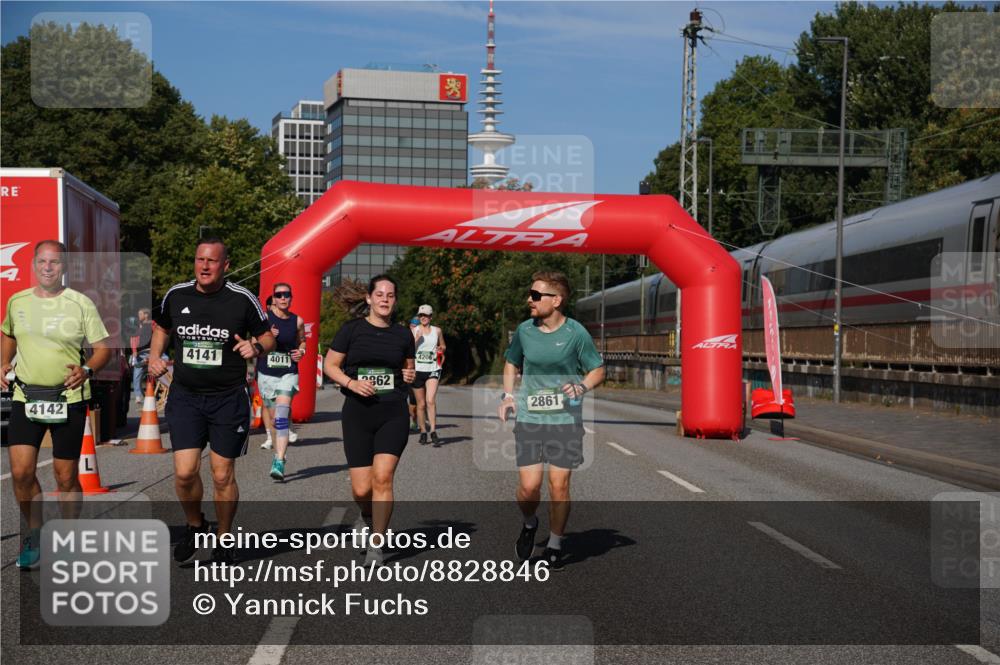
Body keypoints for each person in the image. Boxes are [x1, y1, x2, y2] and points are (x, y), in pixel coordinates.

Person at [148, 238, 275, 565]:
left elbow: (268, 336)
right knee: (185, 473)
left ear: (226, 266)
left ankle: (224, 536)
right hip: (186, 398)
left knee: (222, 474)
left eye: (212, 261)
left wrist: (256, 349)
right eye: (199, 259)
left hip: (227, 399)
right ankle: (196, 524)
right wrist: (154, 355)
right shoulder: (177, 295)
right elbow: (161, 326)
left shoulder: (241, 299)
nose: (204, 266)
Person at [1, 240, 112, 569]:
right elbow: (8, 333)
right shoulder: (17, 301)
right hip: (26, 396)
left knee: (65, 477)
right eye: (42, 262)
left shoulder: (80, 303)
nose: (48, 267)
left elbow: (103, 348)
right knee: (21, 472)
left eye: (55, 262)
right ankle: (35, 534)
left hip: (68, 399)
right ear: (33, 265)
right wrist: (4, 363)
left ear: (65, 267)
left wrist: (88, 369)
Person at [498, 271, 605, 571]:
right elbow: (511, 362)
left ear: (556, 300)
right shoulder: (524, 331)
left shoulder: (576, 333)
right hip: (531, 418)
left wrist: (582, 386)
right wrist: (507, 396)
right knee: (529, 488)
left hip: (564, 419)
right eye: (530, 295)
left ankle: (555, 544)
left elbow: (597, 369)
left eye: (535, 296)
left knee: (559, 485)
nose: (528, 301)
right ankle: (530, 523)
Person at [323, 274, 415, 566]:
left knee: (383, 477)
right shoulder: (352, 330)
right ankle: (367, 515)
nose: (385, 299)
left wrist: (410, 376)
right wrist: (351, 384)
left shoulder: (403, 334)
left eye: (390, 295)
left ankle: (377, 543)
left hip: (393, 412)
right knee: (362, 489)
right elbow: (330, 365)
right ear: (369, 298)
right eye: (380, 294)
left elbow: (408, 369)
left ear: (395, 300)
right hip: (358, 412)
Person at [255, 283, 305, 481]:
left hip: (288, 372)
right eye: (279, 295)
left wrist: (301, 351)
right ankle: (277, 450)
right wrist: (267, 338)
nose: (283, 298)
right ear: (273, 298)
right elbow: (252, 342)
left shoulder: (297, 320)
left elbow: (303, 341)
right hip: (266, 374)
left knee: (282, 416)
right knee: (276, 420)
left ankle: (279, 459)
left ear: (291, 298)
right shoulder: (264, 319)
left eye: (287, 295)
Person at [411, 304, 446, 446]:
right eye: (421, 315)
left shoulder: (437, 331)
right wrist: (416, 340)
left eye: (426, 315)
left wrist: (441, 349)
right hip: (418, 370)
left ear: (431, 317)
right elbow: (407, 351)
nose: (423, 318)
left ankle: (433, 431)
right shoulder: (414, 331)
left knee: (430, 400)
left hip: (433, 368)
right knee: (421, 404)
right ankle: (423, 431)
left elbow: (443, 345)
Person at [130, 308, 153, 404]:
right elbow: (133, 338)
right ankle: (138, 396)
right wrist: (134, 351)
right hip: (141, 353)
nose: (138, 316)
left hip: (153, 352)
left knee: (166, 362)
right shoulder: (137, 326)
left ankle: (167, 392)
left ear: (146, 315)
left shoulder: (153, 324)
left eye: (140, 314)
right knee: (137, 373)